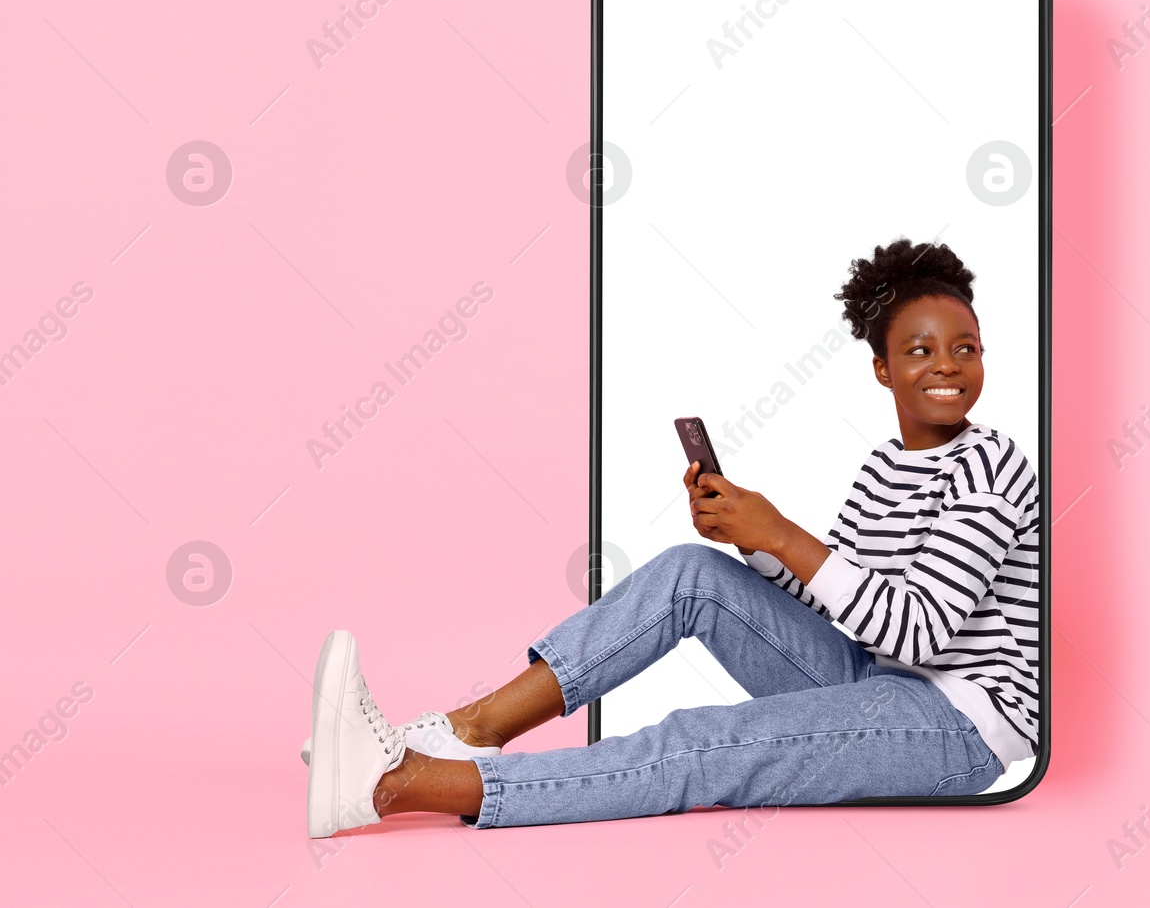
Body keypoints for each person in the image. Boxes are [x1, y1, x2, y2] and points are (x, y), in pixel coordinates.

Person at [306, 237, 1040, 836]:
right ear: (882, 368)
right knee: (693, 572)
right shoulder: (885, 465)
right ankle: (466, 729)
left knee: (705, 742)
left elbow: (917, 630)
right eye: (920, 350)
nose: (947, 364)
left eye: (965, 348)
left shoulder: (994, 463)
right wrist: (750, 538)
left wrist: (783, 534)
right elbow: (843, 605)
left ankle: (396, 781)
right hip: (875, 679)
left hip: (960, 723)